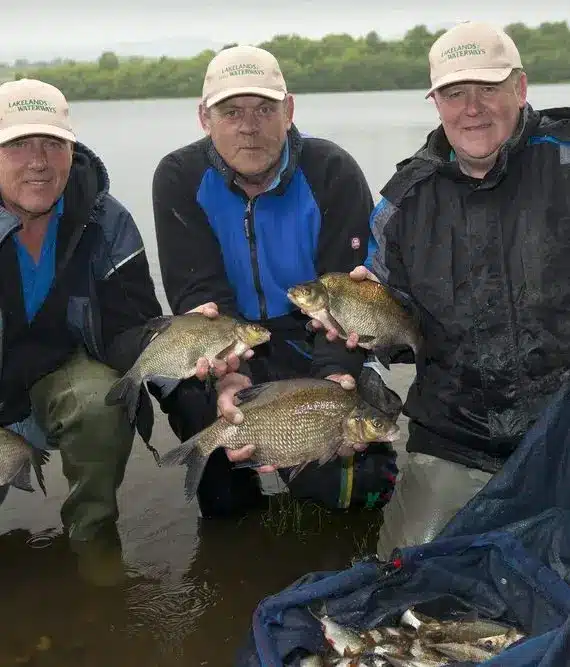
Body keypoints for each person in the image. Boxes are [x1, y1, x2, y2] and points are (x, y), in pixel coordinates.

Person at [308, 21, 570, 558]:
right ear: (436, 103)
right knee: (406, 582)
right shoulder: (403, 203)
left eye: (488, 89)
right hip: (455, 437)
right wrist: (346, 360)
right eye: (454, 93)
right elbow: (386, 338)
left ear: (520, 89)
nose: (471, 108)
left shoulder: (563, 160)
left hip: (561, 429)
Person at [152, 45, 398, 518]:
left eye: (265, 109)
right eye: (231, 111)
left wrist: (332, 379)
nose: (249, 126)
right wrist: (231, 374)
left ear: (289, 111)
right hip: (232, 333)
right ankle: (232, 514)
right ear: (205, 118)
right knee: (195, 406)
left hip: (312, 334)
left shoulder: (332, 171)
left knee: (356, 485)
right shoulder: (179, 176)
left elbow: (345, 298)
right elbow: (198, 293)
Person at [0, 78, 166, 584]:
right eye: (18, 144)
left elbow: (130, 327)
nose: (38, 160)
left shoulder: (105, 219)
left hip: (57, 374)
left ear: (73, 149)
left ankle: (93, 539)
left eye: (53, 143)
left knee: (103, 400)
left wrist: (186, 359)